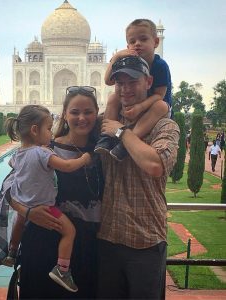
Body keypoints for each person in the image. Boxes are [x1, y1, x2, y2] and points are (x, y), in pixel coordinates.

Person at [0, 104, 93, 293]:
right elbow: (67, 166)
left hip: (31, 211)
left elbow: (17, 180)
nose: (50, 133)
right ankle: (62, 270)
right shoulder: (44, 151)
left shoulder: (18, 155)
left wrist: (24, 210)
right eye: (48, 128)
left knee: (19, 222)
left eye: (87, 111)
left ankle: (11, 252)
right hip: (44, 215)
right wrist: (84, 159)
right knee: (70, 231)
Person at [97, 56, 179, 299]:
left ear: (148, 81)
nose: (125, 89)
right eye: (120, 83)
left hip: (146, 241)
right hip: (108, 238)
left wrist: (121, 133)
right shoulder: (106, 122)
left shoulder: (164, 127)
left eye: (132, 81)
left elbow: (155, 164)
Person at [9, 87, 103, 298]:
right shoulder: (44, 149)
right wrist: (28, 212)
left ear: (96, 113)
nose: (81, 118)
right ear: (65, 114)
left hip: (88, 244)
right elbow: (9, 192)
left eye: (88, 112)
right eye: (75, 112)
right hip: (43, 239)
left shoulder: (101, 151)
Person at [95, 19, 172, 161]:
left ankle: (125, 144)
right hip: (134, 102)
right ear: (127, 45)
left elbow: (159, 95)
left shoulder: (160, 65)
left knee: (160, 106)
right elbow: (108, 81)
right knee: (112, 97)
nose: (137, 44)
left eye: (143, 39)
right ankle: (105, 139)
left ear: (156, 42)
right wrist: (116, 57)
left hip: (155, 106)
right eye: (132, 41)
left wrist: (140, 107)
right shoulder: (128, 61)